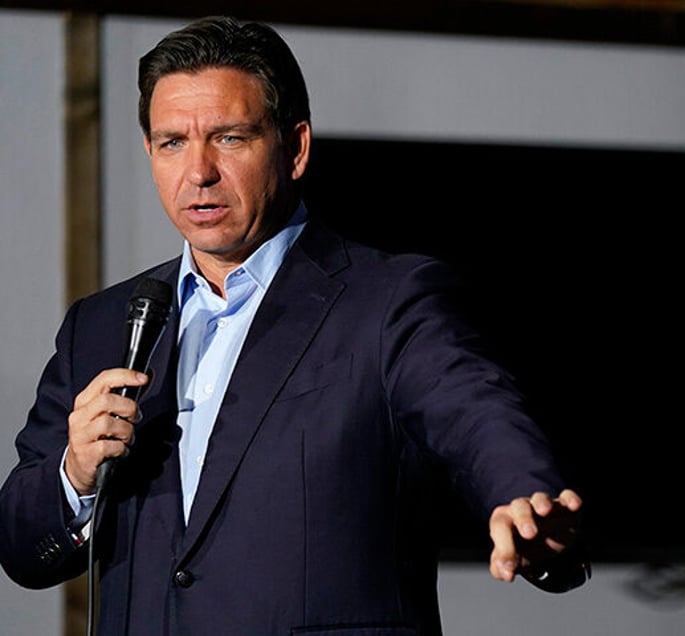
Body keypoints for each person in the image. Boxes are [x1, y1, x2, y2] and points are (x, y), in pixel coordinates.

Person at [0, 15, 588, 635]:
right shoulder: (101, 326)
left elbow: (473, 411)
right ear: (149, 151)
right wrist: (75, 474)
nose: (197, 172)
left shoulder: (385, 301)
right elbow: (19, 546)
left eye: (228, 138)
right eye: (172, 142)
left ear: (295, 147)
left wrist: (525, 497)